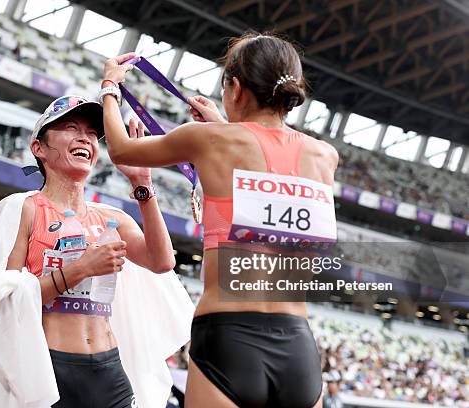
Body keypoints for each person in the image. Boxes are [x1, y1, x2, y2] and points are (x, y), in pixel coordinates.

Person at [101, 32, 338, 408]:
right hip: (297, 344)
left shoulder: (209, 139)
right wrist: (223, 126)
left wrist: (110, 86)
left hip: (229, 337)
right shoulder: (325, 156)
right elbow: (269, 182)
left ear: (237, 87)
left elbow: (121, 148)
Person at [0, 95, 194, 407]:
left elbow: (162, 262)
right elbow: (3, 299)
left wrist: (143, 187)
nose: (84, 137)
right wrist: (80, 269)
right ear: (38, 148)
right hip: (51, 369)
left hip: (110, 370)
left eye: (92, 134)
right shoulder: (21, 208)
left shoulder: (111, 218)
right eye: (69, 128)